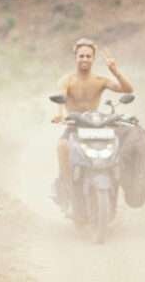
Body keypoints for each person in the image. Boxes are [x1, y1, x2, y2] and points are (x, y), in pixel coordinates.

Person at [52, 38, 133, 208]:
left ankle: (116, 181)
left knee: (119, 145)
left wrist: (115, 71)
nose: (85, 59)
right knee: (62, 146)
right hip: (75, 126)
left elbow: (127, 90)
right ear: (76, 57)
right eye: (81, 56)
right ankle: (69, 186)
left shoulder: (100, 80)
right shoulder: (67, 80)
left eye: (88, 56)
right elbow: (61, 98)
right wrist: (59, 115)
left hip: (97, 126)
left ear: (93, 59)